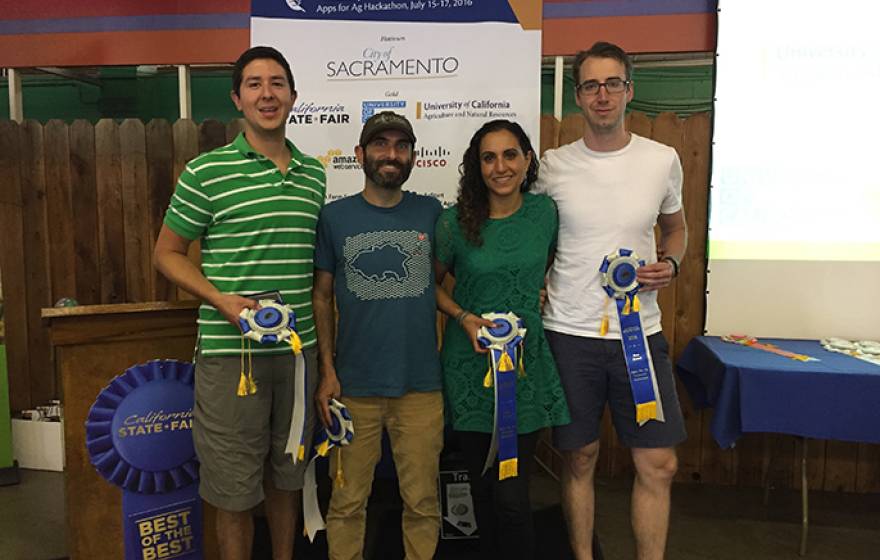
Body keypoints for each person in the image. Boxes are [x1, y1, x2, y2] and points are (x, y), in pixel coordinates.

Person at [153, 46, 324, 560]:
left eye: (277, 83)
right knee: (232, 488)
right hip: (232, 357)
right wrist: (220, 299)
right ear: (237, 98)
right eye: (254, 84)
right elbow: (166, 253)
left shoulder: (314, 176)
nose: (267, 94)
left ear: (293, 96)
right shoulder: (206, 173)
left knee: (287, 477)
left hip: (299, 356)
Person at [535, 41, 688, 560]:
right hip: (569, 332)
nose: (603, 95)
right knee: (579, 458)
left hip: (639, 334)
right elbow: (536, 240)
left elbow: (676, 228)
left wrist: (673, 263)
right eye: (591, 86)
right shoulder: (552, 166)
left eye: (613, 84)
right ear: (577, 96)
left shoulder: (661, 159)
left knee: (658, 463)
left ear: (629, 91)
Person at [434, 119, 570, 559]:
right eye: (488, 157)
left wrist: (540, 290)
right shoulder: (454, 223)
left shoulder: (544, 214)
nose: (500, 166)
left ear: (527, 159)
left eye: (510, 154)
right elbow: (430, 286)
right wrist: (463, 316)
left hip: (523, 369)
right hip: (470, 368)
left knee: (513, 497)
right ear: (477, 166)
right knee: (480, 492)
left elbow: (546, 268)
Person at [312, 111, 444, 560]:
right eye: (381, 144)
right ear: (360, 155)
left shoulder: (431, 213)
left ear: (412, 156)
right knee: (347, 503)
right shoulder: (334, 217)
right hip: (353, 387)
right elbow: (321, 297)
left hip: (421, 385)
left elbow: (446, 282)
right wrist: (327, 372)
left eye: (401, 146)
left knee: (424, 502)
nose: (391, 154)